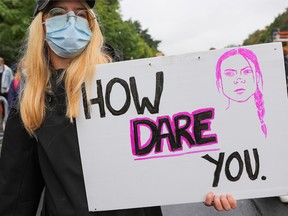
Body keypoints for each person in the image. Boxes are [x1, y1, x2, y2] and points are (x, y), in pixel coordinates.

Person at [0, 0, 237, 215]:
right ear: (41, 25)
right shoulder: (31, 104)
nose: (71, 20)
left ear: (91, 26)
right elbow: (16, 195)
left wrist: (207, 182)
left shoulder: (130, 88)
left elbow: (170, 143)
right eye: (58, 12)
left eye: (81, 14)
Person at [216, 48, 267, 137]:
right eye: (229, 74)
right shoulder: (216, 123)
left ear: (257, 77)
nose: (239, 80)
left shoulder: (274, 116)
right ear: (220, 82)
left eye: (247, 71)